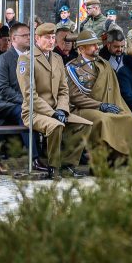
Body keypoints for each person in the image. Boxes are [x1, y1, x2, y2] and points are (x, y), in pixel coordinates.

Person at [16, 22, 91, 178]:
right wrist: (52, 113)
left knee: (84, 124)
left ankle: (68, 164)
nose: (51, 41)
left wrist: (62, 109)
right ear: (36, 38)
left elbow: (64, 90)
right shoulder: (26, 59)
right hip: (34, 112)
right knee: (56, 126)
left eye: (52, 38)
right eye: (47, 38)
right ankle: (54, 168)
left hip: (57, 110)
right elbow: (30, 95)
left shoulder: (56, 58)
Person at [68, 30, 132, 160]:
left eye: (97, 44)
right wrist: (100, 105)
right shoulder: (72, 67)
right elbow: (75, 97)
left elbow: (113, 90)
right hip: (81, 109)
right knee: (104, 120)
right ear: (81, 48)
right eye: (93, 45)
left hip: (106, 105)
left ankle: (123, 157)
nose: (97, 47)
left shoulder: (104, 64)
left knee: (128, 118)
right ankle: (102, 159)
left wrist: (113, 105)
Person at [0, 22, 38, 164]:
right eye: (25, 35)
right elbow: (3, 89)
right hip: (4, 106)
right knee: (27, 112)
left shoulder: (32, 58)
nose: (29, 38)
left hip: (25, 102)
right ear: (13, 39)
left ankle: (52, 155)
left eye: (30, 35)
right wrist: (25, 100)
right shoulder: (3, 59)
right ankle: (35, 159)